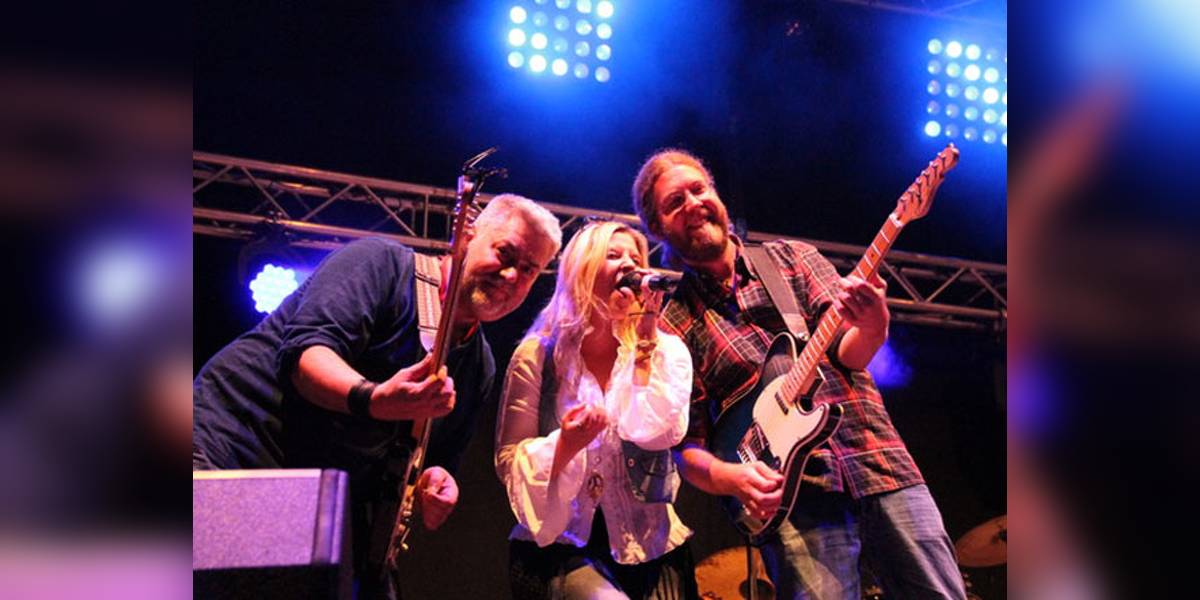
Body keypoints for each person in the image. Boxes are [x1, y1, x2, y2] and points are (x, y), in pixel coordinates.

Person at [630, 149, 967, 600]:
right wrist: (732, 478)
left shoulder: (792, 259)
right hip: (793, 504)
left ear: (717, 196)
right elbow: (687, 447)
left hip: (876, 460)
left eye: (699, 189)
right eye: (676, 202)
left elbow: (848, 354)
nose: (693, 203)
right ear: (657, 228)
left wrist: (874, 323)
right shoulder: (674, 324)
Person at [193, 193, 562, 596]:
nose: (511, 275)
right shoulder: (380, 264)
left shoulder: (479, 364)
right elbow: (306, 356)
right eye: (505, 253)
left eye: (528, 270)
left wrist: (435, 483)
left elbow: (432, 460)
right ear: (465, 236)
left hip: (310, 502)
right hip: (233, 450)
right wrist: (375, 399)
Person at [495, 220, 698, 600]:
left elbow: (653, 432)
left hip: (652, 546)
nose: (630, 264)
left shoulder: (666, 351)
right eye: (613, 255)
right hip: (560, 548)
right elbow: (509, 458)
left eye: (636, 257)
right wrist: (565, 445)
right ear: (581, 270)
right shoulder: (538, 354)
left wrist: (645, 343)